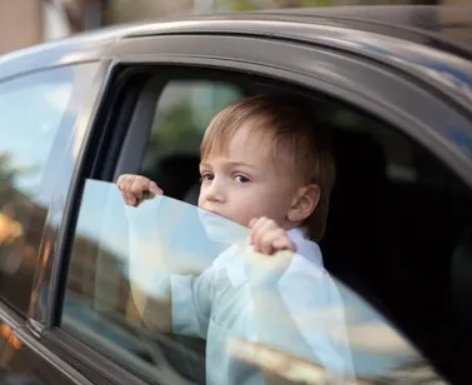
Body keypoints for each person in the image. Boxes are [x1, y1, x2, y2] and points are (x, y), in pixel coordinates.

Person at [118, 94, 355, 384]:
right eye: (207, 175)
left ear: (300, 203)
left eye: (241, 178)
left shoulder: (297, 279)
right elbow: (158, 314)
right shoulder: (233, 261)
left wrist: (266, 290)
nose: (212, 193)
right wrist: (142, 221)